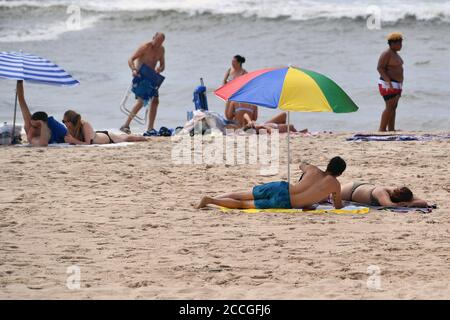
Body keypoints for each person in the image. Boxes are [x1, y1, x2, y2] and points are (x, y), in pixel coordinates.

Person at [196, 157, 346, 210]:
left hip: (282, 187)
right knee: (243, 205)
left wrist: (305, 170)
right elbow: (338, 206)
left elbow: (302, 164)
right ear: (339, 173)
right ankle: (212, 201)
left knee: (241, 195)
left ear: (328, 165)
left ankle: (212, 197)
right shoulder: (335, 185)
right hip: (286, 202)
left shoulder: (313, 169)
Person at [120, 32, 166, 136]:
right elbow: (130, 59)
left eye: (160, 42)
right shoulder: (145, 47)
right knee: (141, 101)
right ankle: (125, 125)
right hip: (141, 76)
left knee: (155, 101)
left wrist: (160, 69)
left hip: (152, 77)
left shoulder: (161, 50)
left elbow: (163, 65)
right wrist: (133, 69)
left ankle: (150, 128)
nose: (158, 44)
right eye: (157, 41)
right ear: (153, 38)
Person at [16, 80, 67, 147]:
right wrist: (19, 82)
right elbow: (21, 100)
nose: (32, 130)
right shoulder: (30, 126)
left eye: (35, 127)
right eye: (32, 125)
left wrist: (42, 124)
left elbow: (43, 143)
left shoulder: (56, 128)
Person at [63, 110, 148, 145]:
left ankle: (145, 138)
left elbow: (87, 144)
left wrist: (73, 140)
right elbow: (76, 142)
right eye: (63, 121)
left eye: (65, 121)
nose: (64, 123)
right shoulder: (70, 128)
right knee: (125, 137)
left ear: (71, 121)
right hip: (99, 136)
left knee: (127, 138)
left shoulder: (84, 125)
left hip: (108, 137)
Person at [377, 32, 404, 132]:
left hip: (397, 84)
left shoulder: (395, 54)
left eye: (401, 43)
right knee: (389, 107)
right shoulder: (386, 54)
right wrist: (388, 82)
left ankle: (391, 128)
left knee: (393, 107)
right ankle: (382, 129)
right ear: (392, 43)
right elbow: (380, 68)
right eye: (398, 43)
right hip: (387, 83)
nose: (401, 45)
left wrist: (400, 85)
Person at [341, 182, 429, 207]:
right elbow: (389, 205)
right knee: (328, 194)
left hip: (364, 187)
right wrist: (404, 204)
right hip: (350, 190)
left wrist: (410, 203)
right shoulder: (382, 192)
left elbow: (423, 202)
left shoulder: (404, 194)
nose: (393, 190)